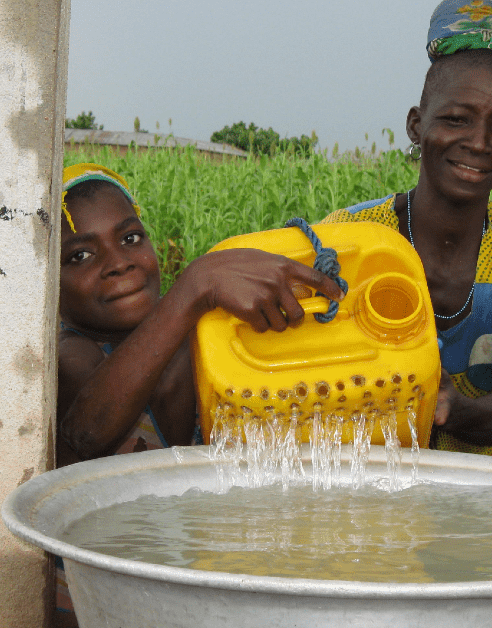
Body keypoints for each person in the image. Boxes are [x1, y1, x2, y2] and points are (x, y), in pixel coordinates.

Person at [55, 163, 342, 625]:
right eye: (80, 256)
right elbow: (87, 432)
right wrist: (196, 285)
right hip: (97, 606)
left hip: (184, 592)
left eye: (130, 239)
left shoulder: (201, 343)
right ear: (46, 279)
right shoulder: (70, 355)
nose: (119, 263)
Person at [320, 0, 492, 461]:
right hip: (369, 495)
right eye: (456, 120)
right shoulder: (349, 237)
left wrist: (446, 406)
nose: (479, 144)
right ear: (416, 124)